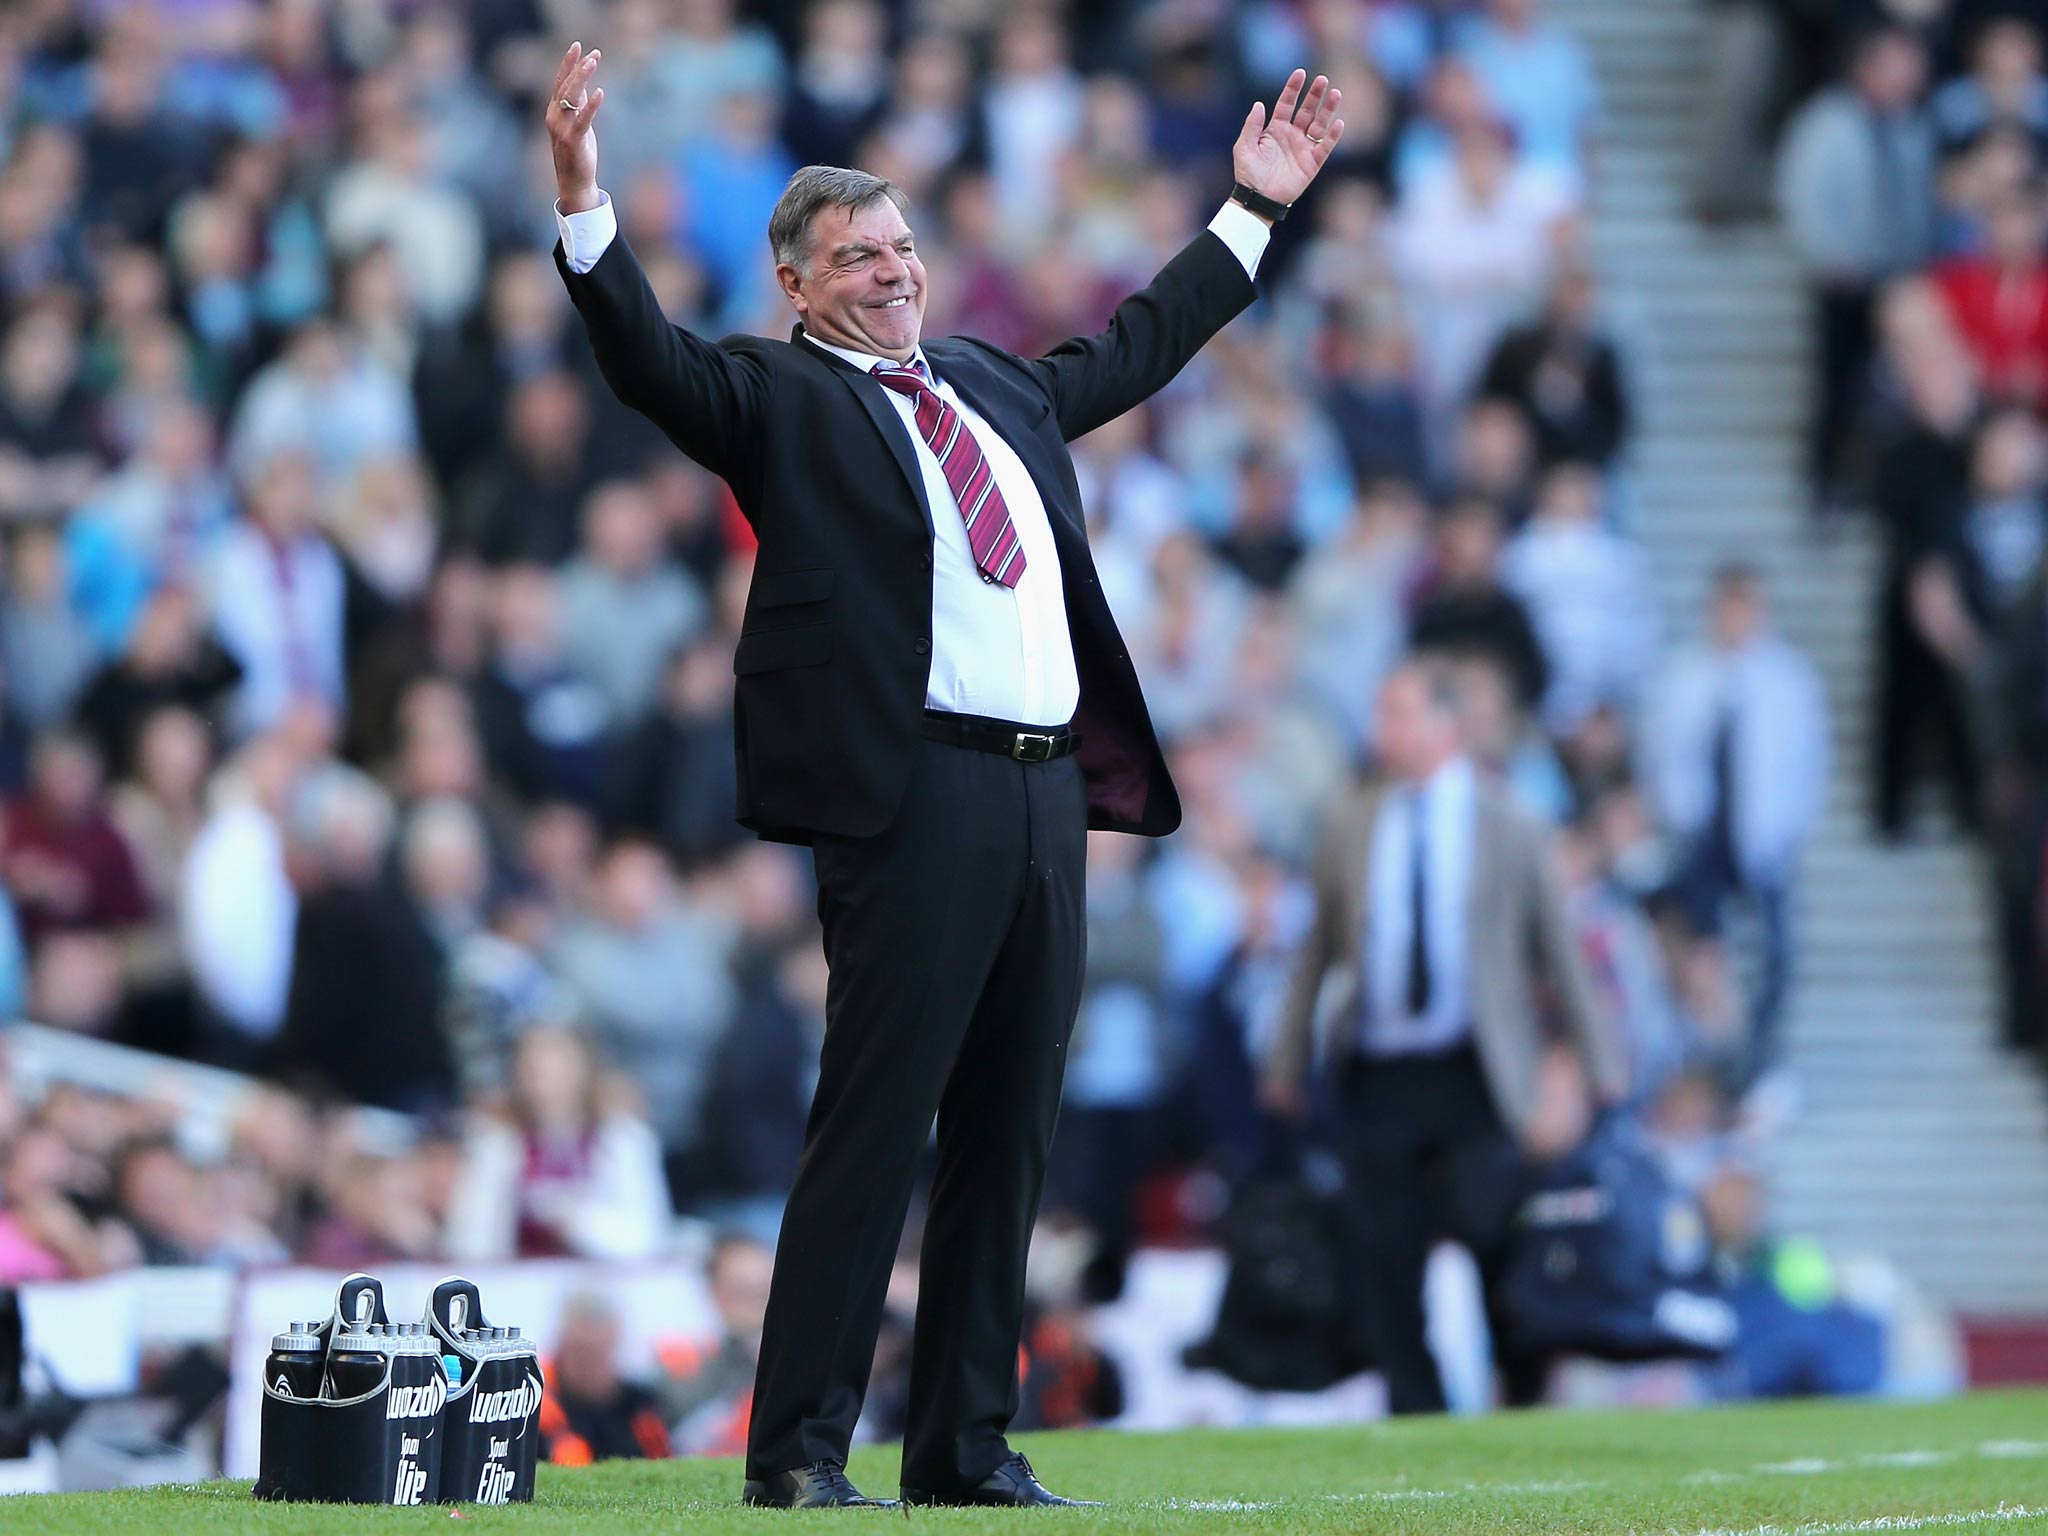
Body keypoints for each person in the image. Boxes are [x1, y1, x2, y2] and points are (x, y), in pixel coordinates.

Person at [546, 42, 1346, 1509]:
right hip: (910, 793)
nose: (890, 272)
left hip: (1049, 792)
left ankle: (965, 1447)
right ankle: (793, 1452)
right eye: (855, 256)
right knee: (875, 1123)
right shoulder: (775, 398)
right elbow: (646, 363)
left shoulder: (987, 381)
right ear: (796, 285)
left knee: (1008, 1131)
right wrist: (586, 211)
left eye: (901, 247)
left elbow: (1133, 347)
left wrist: (1251, 212)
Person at [1260, 660, 1625, 1415]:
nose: (1381, 729)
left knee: (1493, 1226)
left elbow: (1559, 948)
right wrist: (1288, 1057)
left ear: (1445, 726)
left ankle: (1518, 1386)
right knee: (1384, 1249)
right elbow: (1317, 950)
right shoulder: (1351, 820)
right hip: (1381, 1066)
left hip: (1475, 1068)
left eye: (1398, 712)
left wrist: (1599, 1061)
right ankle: (1414, 1410)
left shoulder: (1512, 822)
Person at [1647, 567, 1830, 1085]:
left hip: (1764, 836)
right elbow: (1662, 754)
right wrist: (1677, 815)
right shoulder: (1683, 675)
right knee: (1701, 950)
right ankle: (1705, 1057)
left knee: (1774, 952)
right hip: (1701, 836)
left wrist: (1790, 829)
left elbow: (1810, 763)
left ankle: (1763, 1052)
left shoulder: (1791, 681)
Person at [1776, 26, 1936, 514]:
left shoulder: (1912, 127)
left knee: (1897, 388)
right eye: (1894, 66)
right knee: (1837, 383)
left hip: (1897, 279)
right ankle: (1824, 481)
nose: (1906, 78)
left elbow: (1920, 203)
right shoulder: (1827, 124)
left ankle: (1880, 485)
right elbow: (1801, 200)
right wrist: (1829, 257)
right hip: (1843, 279)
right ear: (1866, 67)